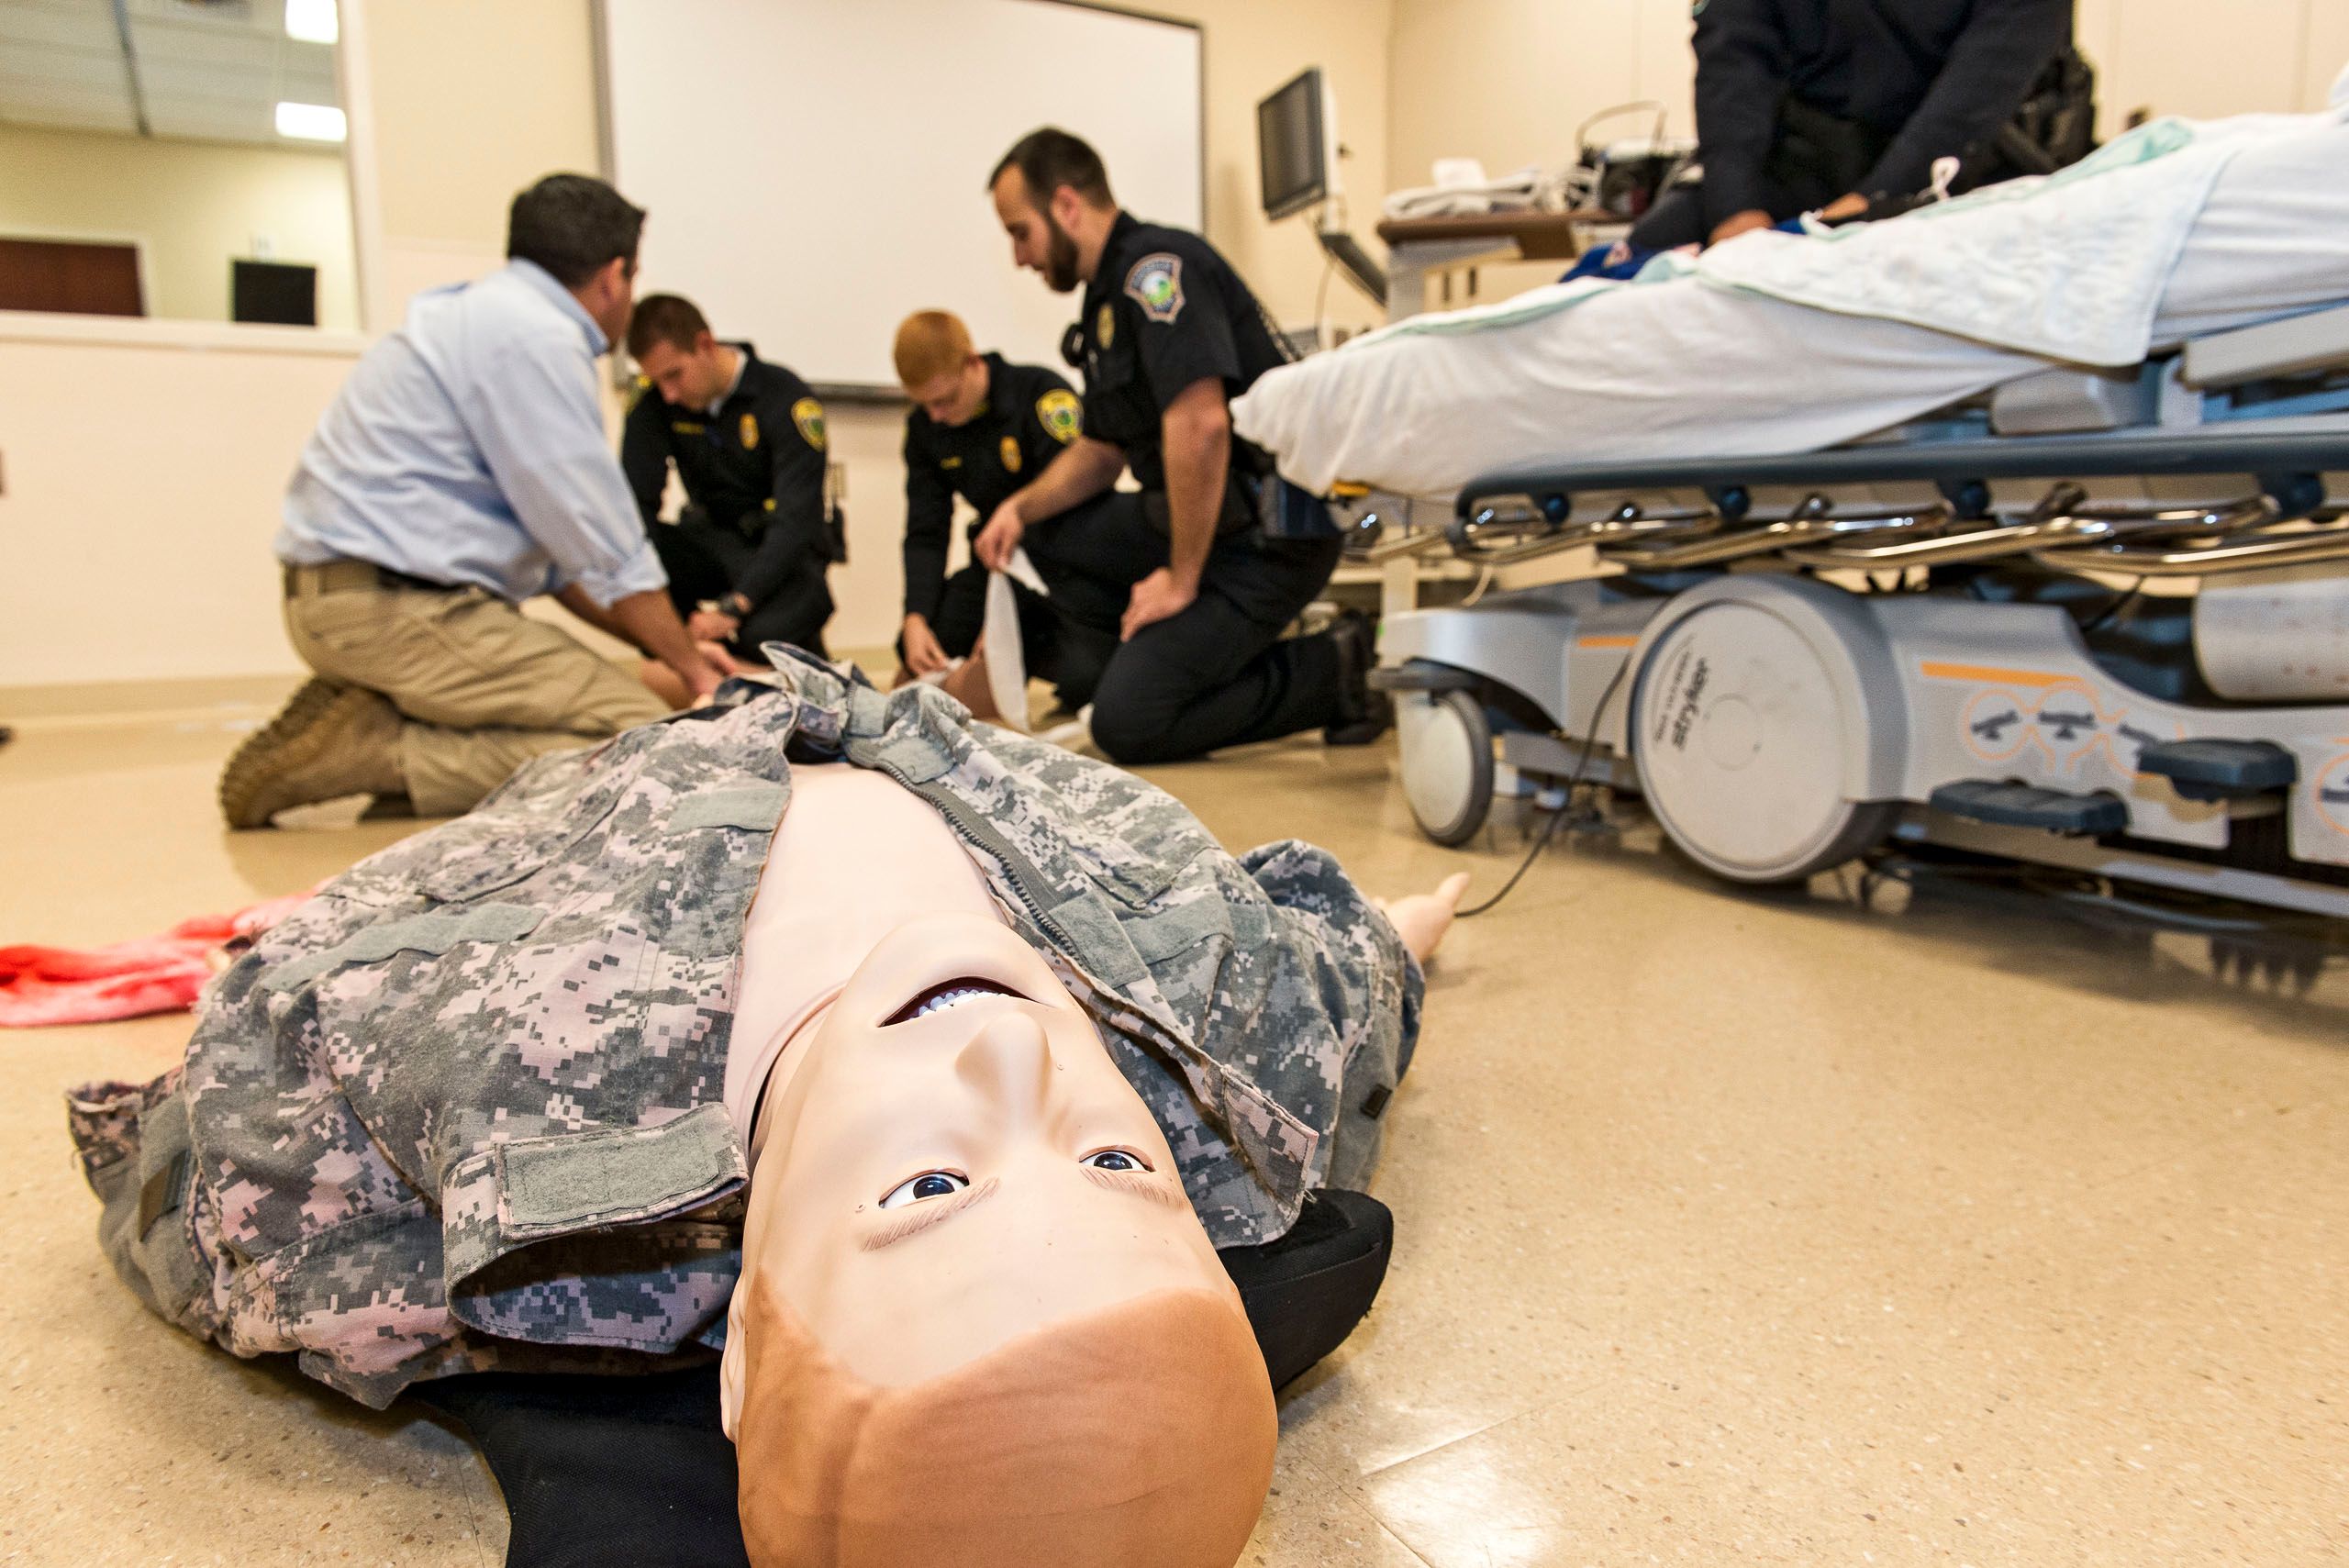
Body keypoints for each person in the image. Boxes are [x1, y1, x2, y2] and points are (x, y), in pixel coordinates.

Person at [69, 652, 1464, 1565]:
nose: (1018, 1069)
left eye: (933, 1190)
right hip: (914, 721)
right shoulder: (1221, 1055)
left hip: (647, 769)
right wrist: (1401, 941)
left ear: (736, 1350)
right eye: (1113, 1162)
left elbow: (216, 1145)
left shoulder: (515, 1132)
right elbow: (1338, 978)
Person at [221, 174, 723, 830]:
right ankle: (380, 751)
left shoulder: (481, 314)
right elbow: (611, 554)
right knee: (644, 736)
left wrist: (673, 646)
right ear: (614, 275)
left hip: (347, 597)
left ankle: (397, 733)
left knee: (611, 700)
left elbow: (561, 566)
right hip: (393, 609)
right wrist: (694, 673)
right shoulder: (537, 340)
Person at [983, 128, 1386, 764]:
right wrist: (1018, 509)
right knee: (1040, 533)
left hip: (1267, 538)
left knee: (1128, 724)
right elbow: (1102, 449)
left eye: (1019, 231)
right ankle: (1164, 653)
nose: (1018, 256)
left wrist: (1181, 578)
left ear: (1065, 206)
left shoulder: (1156, 272)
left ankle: (1336, 669)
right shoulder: (1105, 298)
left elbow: (1201, 428)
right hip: (1200, 517)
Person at [1630, 0, 2079, 250]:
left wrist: (1867, 206)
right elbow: (1733, 66)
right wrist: (1735, 211)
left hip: (1953, 160)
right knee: (1639, 258)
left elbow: (1976, 94)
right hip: (1796, 157)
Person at [893, 308, 1163, 717]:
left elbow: (1085, 497)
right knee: (922, 641)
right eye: (925, 405)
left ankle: (1038, 659)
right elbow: (926, 530)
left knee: (1086, 677)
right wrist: (915, 617)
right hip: (996, 562)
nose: (937, 416)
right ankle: (1007, 657)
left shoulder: (1039, 394)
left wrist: (1002, 620)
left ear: (972, 363)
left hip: (1066, 568)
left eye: (944, 400)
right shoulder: (926, 429)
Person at [622, 294, 837, 679]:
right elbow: (637, 504)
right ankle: (698, 667)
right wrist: (670, 619)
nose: (668, 393)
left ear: (705, 345)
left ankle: (798, 675)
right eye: (657, 380)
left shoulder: (784, 397)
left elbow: (795, 520)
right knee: (636, 548)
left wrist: (733, 607)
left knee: (763, 634)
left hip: (779, 549)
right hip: (711, 541)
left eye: (674, 375)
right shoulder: (655, 399)